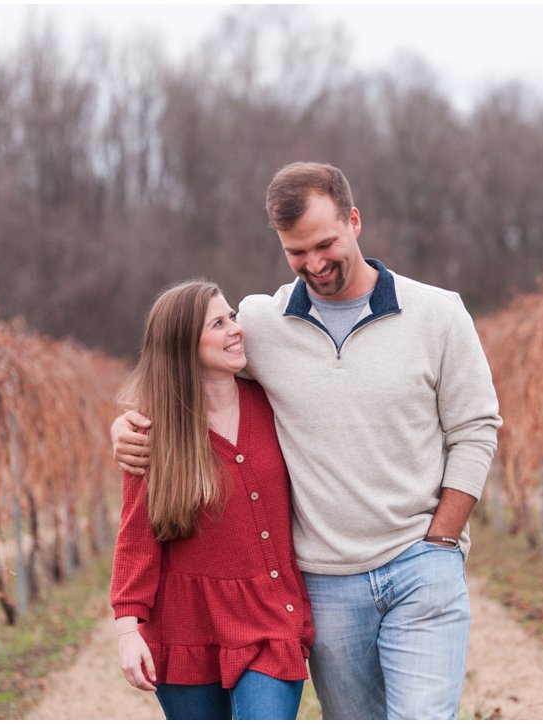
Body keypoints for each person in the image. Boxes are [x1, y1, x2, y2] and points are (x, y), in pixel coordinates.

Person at [112, 162, 501, 719]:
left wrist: (441, 540)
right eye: (297, 252)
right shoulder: (261, 325)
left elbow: (476, 427)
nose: (314, 264)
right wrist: (128, 425)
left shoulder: (438, 314)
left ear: (355, 221)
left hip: (421, 562)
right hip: (326, 583)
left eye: (325, 243)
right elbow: (184, 379)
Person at [109, 279, 313, 720]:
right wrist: (128, 633)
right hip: (186, 627)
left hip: (270, 619)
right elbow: (135, 541)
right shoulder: (152, 434)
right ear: (184, 346)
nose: (235, 329)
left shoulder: (274, 403)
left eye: (233, 317)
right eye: (218, 323)